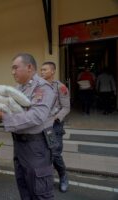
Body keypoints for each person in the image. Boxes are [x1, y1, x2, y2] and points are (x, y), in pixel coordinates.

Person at [0, 53, 55, 200]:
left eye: (15, 68)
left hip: (36, 147)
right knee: (24, 187)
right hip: (20, 146)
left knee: (39, 192)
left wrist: (5, 117)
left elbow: (37, 116)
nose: (13, 72)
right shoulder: (19, 88)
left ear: (29, 67)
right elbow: (10, 110)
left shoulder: (42, 88)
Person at [41, 61, 70, 192]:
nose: (42, 72)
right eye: (41, 70)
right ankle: (48, 178)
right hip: (43, 124)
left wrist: (56, 118)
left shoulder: (61, 87)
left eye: (45, 70)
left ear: (52, 71)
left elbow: (66, 107)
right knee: (45, 153)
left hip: (55, 125)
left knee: (55, 152)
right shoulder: (39, 87)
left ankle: (63, 176)